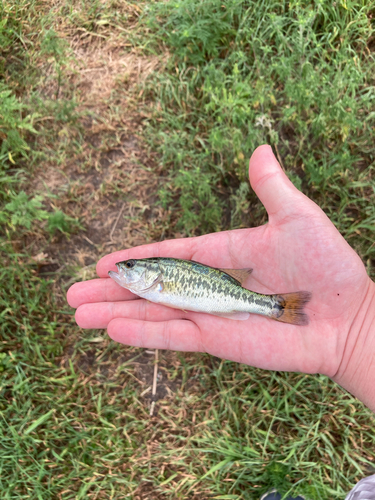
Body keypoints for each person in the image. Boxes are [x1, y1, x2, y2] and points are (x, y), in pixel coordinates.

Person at [67, 145, 375, 498]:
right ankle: (272, 306)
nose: (124, 270)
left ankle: (272, 306)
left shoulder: (158, 282)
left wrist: (359, 325)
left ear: (152, 272)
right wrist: (360, 327)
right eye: (130, 266)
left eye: (133, 267)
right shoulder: (154, 286)